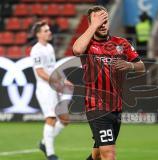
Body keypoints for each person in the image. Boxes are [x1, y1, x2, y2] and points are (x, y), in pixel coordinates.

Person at [72, 5, 145, 160]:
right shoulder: (88, 44)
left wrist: (130, 65)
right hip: (96, 106)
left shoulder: (122, 43)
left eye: (105, 20)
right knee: (109, 154)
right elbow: (77, 50)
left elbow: (142, 67)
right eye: (98, 20)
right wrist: (94, 25)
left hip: (116, 107)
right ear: (91, 24)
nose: (103, 24)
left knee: (98, 154)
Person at [30, 20, 72, 160]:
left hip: (53, 87)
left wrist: (63, 79)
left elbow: (52, 69)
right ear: (38, 34)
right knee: (51, 118)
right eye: (46, 31)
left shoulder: (49, 47)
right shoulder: (36, 50)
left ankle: (44, 143)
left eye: (49, 30)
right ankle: (50, 154)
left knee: (65, 119)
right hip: (44, 89)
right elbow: (41, 73)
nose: (49, 32)